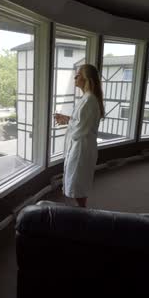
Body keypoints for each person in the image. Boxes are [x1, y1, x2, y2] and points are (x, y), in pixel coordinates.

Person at [54, 64, 104, 207]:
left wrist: (68, 122)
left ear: (87, 79)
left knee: (78, 184)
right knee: (78, 181)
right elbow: (81, 123)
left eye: (78, 75)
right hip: (82, 145)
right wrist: (67, 119)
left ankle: (82, 212)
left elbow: (80, 129)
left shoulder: (89, 100)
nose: (75, 77)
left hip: (82, 148)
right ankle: (81, 210)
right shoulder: (87, 98)